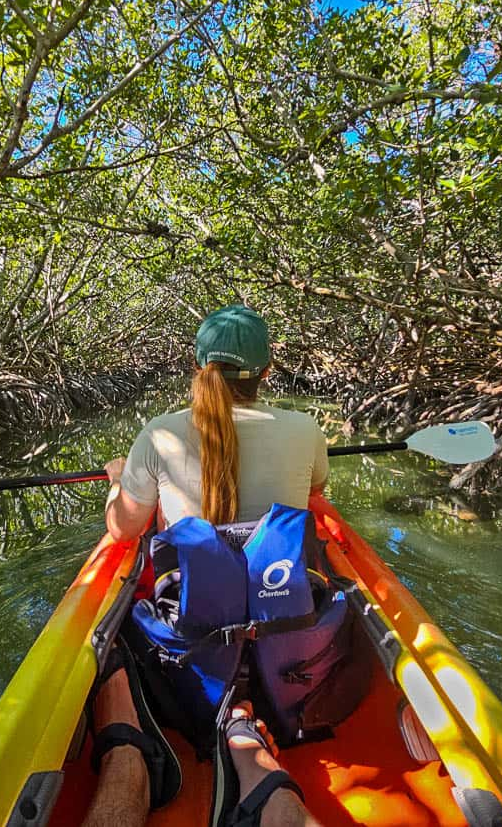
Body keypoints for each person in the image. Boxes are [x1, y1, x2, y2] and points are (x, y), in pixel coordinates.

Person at [82, 304, 328, 827]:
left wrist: (117, 480)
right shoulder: (305, 428)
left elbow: (124, 530)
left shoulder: (159, 434)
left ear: (198, 367)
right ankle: (247, 739)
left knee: (111, 634)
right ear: (266, 370)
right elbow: (314, 495)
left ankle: (136, 744)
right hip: (284, 642)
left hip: (189, 651)